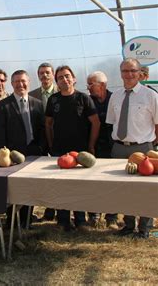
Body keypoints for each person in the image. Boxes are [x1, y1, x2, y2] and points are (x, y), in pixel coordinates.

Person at [106, 58, 158, 239]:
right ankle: (128, 225)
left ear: (140, 74)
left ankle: (144, 228)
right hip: (119, 149)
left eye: (132, 71)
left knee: (145, 190)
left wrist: (152, 149)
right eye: (125, 71)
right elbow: (112, 122)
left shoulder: (151, 96)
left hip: (143, 149)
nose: (129, 75)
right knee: (123, 188)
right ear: (120, 73)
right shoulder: (116, 96)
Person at [45, 65, 100, 232]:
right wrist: (51, 144)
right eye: (60, 77)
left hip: (80, 151)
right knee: (60, 186)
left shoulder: (84, 98)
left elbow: (95, 122)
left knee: (79, 186)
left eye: (67, 76)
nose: (64, 79)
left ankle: (80, 220)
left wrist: (90, 145)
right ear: (57, 82)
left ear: (74, 78)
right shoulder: (53, 100)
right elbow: (48, 123)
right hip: (60, 151)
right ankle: (63, 220)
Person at [0, 70, 46, 228]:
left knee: (30, 187)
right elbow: (0, 132)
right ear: (12, 84)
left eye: (23, 81)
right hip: (13, 155)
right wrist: (4, 155)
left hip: (34, 153)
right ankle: (12, 222)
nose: (20, 84)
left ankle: (27, 220)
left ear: (29, 82)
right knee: (15, 190)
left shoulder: (37, 103)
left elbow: (42, 129)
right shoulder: (3, 105)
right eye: (16, 81)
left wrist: (41, 148)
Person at [86, 71, 115, 229]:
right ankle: (94, 214)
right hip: (94, 147)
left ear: (102, 85)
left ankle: (112, 216)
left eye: (91, 84)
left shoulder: (115, 98)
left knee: (113, 183)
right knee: (93, 182)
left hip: (112, 147)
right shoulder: (87, 101)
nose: (88, 87)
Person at [30, 62, 58, 221]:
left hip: (58, 140)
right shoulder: (32, 94)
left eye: (47, 72)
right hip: (40, 141)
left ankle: (52, 210)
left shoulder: (62, 91)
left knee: (56, 177)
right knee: (36, 177)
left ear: (52, 74)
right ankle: (32, 212)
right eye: (41, 73)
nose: (44, 75)